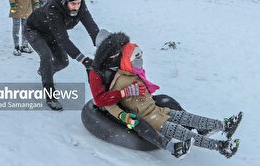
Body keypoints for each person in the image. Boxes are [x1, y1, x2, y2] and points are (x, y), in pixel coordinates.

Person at [102, 40, 242, 158]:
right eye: (136, 58)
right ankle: (221, 147)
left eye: (140, 57)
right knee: (183, 133)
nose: (140, 61)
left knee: (187, 117)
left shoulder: (135, 73)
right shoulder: (120, 82)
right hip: (150, 119)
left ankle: (224, 126)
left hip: (158, 110)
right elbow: (109, 104)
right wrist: (124, 116)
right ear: (127, 60)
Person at [88, 30, 193, 158]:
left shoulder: (120, 60)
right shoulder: (96, 72)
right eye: (112, 52)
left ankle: (194, 128)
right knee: (135, 121)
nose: (116, 54)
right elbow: (100, 100)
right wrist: (122, 93)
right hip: (112, 106)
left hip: (132, 98)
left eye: (117, 51)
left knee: (166, 100)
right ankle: (172, 147)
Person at [25, 0, 99, 110]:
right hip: (34, 30)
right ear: (65, 2)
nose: (76, 6)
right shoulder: (54, 8)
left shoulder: (80, 5)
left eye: (78, 3)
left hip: (51, 32)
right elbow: (63, 40)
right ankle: (50, 96)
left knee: (63, 62)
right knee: (46, 57)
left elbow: (91, 26)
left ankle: (45, 72)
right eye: (73, 4)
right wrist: (83, 60)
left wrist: (102, 46)